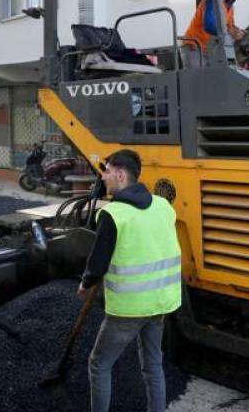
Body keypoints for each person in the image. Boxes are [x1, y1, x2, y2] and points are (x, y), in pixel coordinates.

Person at [78, 149, 182, 412]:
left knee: (99, 364)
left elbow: (97, 263)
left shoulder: (114, 214)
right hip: (160, 303)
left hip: (129, 307)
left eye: (108, 172)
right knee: (153, 364)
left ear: (121, 175)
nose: (103, 177)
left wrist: (86, 283)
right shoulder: (162, 206)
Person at [181, 0, 245, 68]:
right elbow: (209, 25)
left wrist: (240, 32)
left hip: (208, 49)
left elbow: (230, 26)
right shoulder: (212, 0)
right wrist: (230, 31)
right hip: (193, 46)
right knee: (197, 79)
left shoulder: (230, 7)